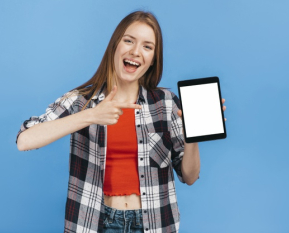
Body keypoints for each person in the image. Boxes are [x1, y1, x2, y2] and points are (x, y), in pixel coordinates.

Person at [17, 11, 226, 233]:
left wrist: (191, 135)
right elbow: (25, 140)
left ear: (153, 58)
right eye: (129, 41)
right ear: (115, 46)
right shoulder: (81, 101)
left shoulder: (166, 104)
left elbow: (190, 176)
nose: (136, 52)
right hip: (95, 222)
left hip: (153, 223)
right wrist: (91, 115)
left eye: (147, 46)